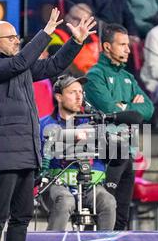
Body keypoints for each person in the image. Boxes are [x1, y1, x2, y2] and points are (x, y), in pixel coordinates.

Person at [0, 8, 96, 241]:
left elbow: (51, 67)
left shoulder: (17, 62)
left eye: (18, 37)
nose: (17, 41)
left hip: (27, 150)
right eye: (12, 38)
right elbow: (16, 65)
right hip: (4, 150)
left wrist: (75, 42)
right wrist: (46, 33)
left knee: (22, 216)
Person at [85, 23, 154, 231]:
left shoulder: (128, 77)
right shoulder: (95, 75)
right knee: (105, 210)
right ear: (107, 47)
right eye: (122, 45)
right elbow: (107, 109)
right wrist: (132, 108)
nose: (128, 49)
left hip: (129, 150)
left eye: (128, 45)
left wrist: (124, 108)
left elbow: (148, 110)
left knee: (122, 215)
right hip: (107, 152)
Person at [39, 75, 116, 231]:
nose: (79, 96)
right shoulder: (43, 124)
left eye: (81, 92)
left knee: (108, 201)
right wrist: (70, 137)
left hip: (90, 186)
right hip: (57, 186)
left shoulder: (93, 123)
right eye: (73, 92)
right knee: (66, 200)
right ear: (59, 97)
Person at [47, 3, 99, 77]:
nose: (80, 24)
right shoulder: (56, 36)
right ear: (67, 17)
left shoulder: (96, 39)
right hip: (74, 79)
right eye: (76, 19)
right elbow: (62, 63)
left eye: (85, 21)